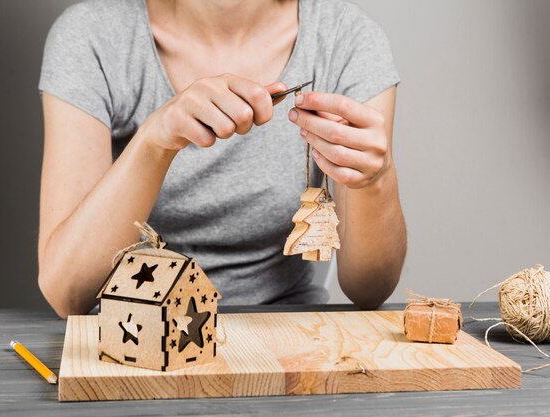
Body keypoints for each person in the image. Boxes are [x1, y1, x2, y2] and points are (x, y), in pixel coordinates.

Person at [37, 0, 407, 318]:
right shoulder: (92, 35)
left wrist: (376, 180)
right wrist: (155, 140)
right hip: (138, 334)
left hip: (286, 333)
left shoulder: (346, 39)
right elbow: (67, 293)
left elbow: (369, 290)